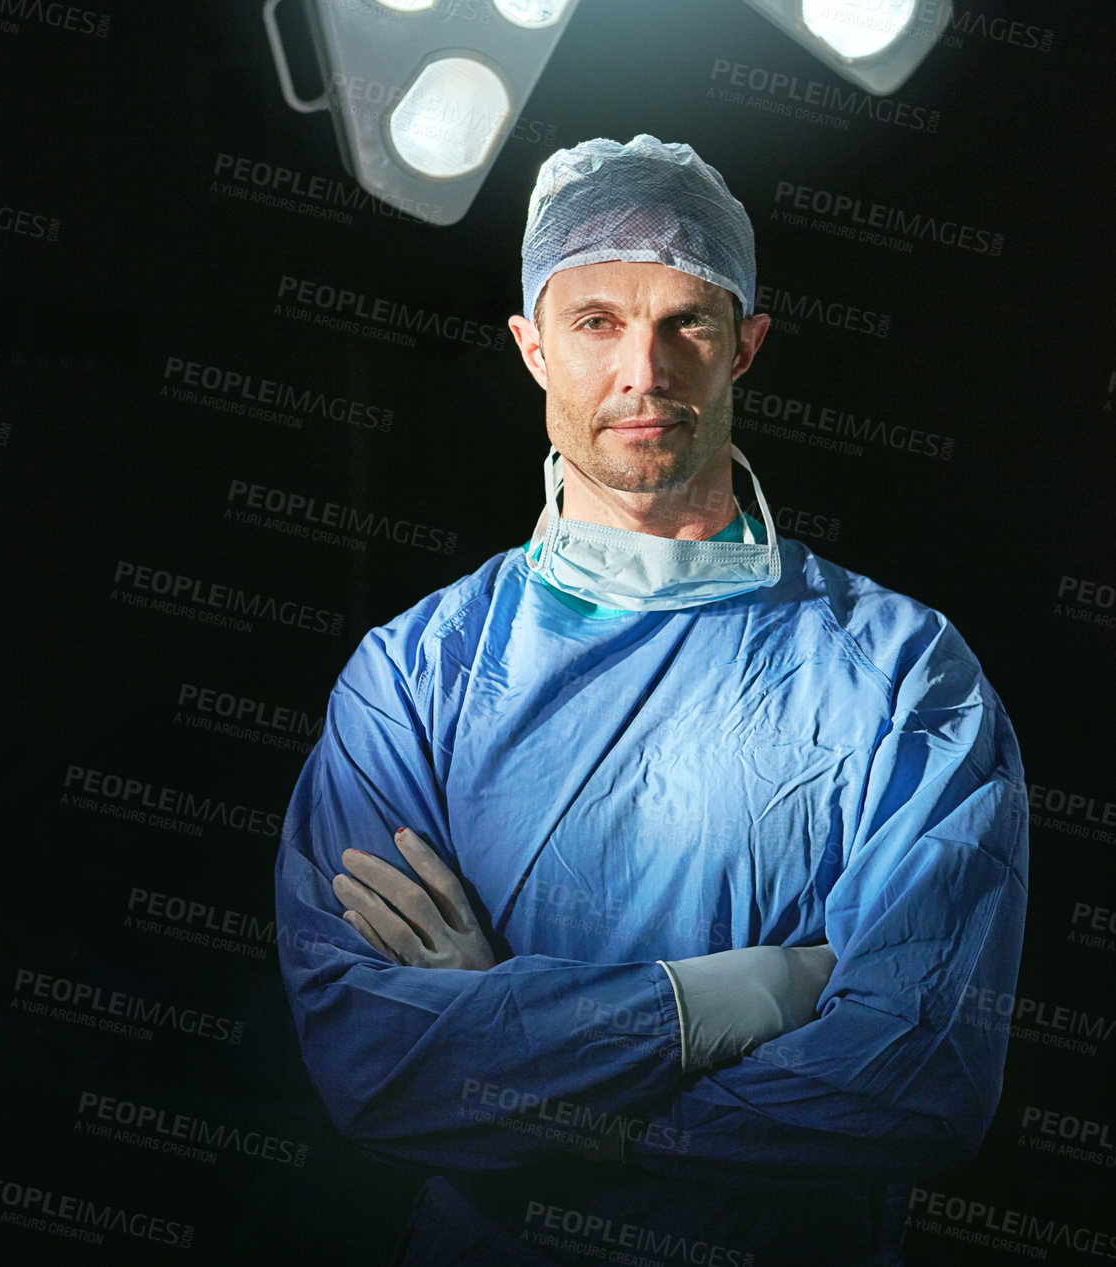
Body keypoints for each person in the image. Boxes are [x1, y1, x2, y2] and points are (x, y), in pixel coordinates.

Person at [275, 135, 1028, 1267]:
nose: (643, 370)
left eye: (686, 320)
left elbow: (916, 1084)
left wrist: (513, 1058)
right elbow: (372, 1068)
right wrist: (756, 992)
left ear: (745, 348)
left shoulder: (900, 676)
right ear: (530, 348)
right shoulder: (413, 677)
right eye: (594, 323)